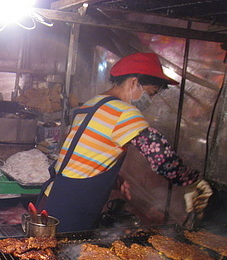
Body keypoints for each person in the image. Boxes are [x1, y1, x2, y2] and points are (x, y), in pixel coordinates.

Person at [37, 52, 210, 232]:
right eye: (151, 93)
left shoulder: (91, 104)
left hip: (53, 196)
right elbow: (161, 158)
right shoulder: (125, 112)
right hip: (72, 206)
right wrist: (190, 182)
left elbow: (83, 153)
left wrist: (113, 178)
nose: (149, 100)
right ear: (134, 82)